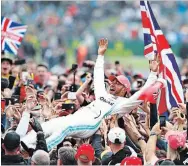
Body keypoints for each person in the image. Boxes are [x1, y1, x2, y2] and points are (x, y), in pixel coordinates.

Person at [21, 38, 165, 151]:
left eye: (118, 83)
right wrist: (100, 55)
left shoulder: (122, 103)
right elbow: (97, 76)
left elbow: (141, 94)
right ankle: (21, 144)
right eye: (113, 82)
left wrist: (152, 73)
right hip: (78, 117)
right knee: (51, 124)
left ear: (125, 89)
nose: (113, 84)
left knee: (65, 129)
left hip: (90, 124)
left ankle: (39, 149)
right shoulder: (104, 94)